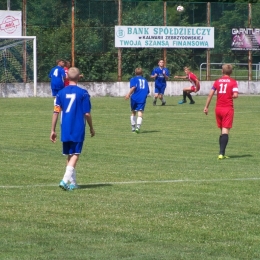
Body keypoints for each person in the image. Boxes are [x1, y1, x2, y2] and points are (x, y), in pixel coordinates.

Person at [50, 67, 95, 190]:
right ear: (79, 77)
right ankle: (64, 180)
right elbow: (86, 113)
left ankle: (73, 183)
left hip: (65, 127)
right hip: (77, 127)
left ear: (66, 77)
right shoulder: (83, 93)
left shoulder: (60, 93)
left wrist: (52, 130)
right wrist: (91, 127)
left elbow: (56, 112)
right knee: (75, 154)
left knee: (70, 155)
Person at [203, 64, 238, 160]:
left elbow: (210, 94)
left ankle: (222, 153)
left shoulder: (217, 81)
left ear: (222, 71)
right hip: (227, 109)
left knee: (222, 132)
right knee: (225, 131)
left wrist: (206, 107)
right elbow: (235, 94)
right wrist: (233, 95)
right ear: (231, 72)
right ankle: (221, 153)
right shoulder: (233, 82)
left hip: (218, 109)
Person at [125, 67, 150, 133]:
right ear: (142, 73)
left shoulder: (133, 79)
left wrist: (128, 94)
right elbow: (147, 91)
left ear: (135, 73)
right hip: (142, 98)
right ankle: (138, 127)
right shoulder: (145, 80)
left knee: (133, 112)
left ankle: (133, 128)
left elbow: (133, 87)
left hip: (134, 97)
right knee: (140, 112)